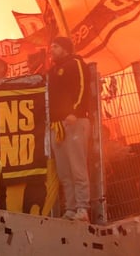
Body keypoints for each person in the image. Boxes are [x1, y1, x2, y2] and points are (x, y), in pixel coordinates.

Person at [47, 36, 91, 222]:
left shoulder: (76, 64)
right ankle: (71, 208)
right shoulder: (52, 71)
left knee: (77, 168)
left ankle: (83, 208)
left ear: (65, 48)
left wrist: (76, 111)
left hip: (74, 122)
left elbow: (83, 88)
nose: (52, 50)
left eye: (55, 46)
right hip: (57, 126)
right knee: (64, 171)